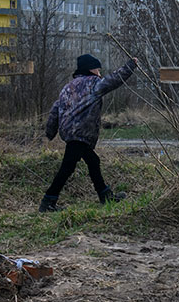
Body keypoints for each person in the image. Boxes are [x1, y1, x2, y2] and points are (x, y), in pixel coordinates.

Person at [39, 53, 138, 212]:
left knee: (93, 161)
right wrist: (130, 66)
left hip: (70, 133)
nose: (100, 73)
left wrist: (50, 132)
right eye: (98, 69)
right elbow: (114, 80)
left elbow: (55, 110)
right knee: (67, 167)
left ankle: (105, 195)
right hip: (80, 133)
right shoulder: (93, 84)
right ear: (91, 70)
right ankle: (48, 201)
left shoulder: (67, 87)